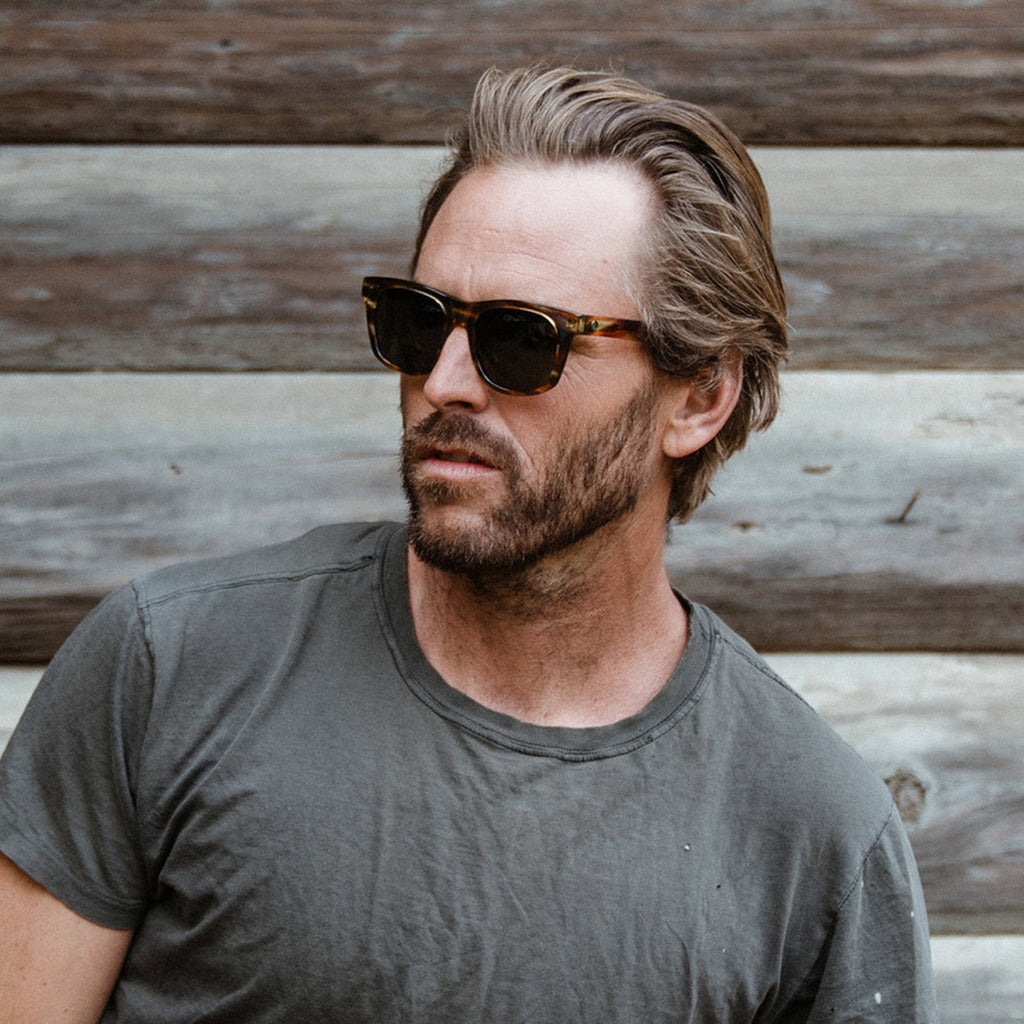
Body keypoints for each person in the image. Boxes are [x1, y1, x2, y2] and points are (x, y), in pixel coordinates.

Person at [0, 65, 937, 1022]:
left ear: (699, 396)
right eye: (419, 323)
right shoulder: (172, 669)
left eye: (522, 340)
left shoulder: (814, 834)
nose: (445, 381)